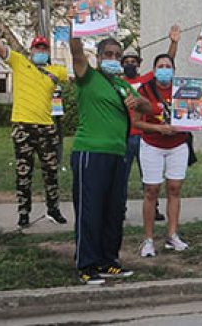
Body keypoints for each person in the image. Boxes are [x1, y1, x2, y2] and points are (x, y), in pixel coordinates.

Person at [0, 15, 69, 229]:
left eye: (44, 49)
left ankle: (53, 209)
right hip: (23, 127)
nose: (40, 52)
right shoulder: (19, 62)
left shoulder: (56, 71)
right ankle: (23, 213)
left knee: (51, 172)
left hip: (46, 128)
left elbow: (79, 76)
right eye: (37, 49)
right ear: (31, 51)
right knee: (23, 172)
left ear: (48, 52)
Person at [68, 27, 152, 285]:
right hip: (90, 152)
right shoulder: (87, 76)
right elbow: (76, 51)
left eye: (117, 55)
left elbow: (149, 107)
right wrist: (75, 25)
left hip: (118, 153)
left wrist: (139, 104)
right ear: (98, 56)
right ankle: (87, 265)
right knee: (90, 210)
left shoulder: (122, 86)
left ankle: (108, 260)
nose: (113, 59)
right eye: (109, 54)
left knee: (114, 211)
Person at [122, 25, 180, 221]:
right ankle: (119, 210)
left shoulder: (144, 81)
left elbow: (166, 65)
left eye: (133, 62)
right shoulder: (116, 82)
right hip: (123, 135)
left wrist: (173, 43)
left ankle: (153, 209)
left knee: (149, 179)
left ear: (139, 64)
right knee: (122, 177)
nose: (130, 64)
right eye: (126, 62)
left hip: (144, 136)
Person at [134, 54, 190, 257]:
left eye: (168, 66)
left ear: (174, 69)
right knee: (151, 190)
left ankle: (172, 235)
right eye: (160, 66)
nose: (164, 69)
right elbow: (137, 122)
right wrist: (158, 129)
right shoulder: (144, 90)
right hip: (152, 145)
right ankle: (148, 239)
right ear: (155, 69)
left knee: (174, 188)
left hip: (178, 145)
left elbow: (195, 112)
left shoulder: (183, 89)